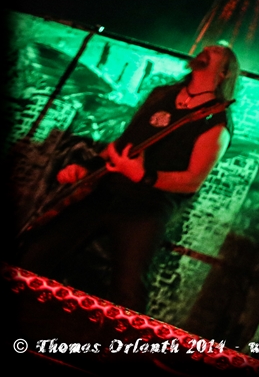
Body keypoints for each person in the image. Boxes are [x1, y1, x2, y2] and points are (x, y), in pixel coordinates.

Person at [19, 44, 238, 313]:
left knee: (128, 290)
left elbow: (192, 180)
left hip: (146, 209)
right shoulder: (163, 94)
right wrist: (89, 167)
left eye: (215, 52)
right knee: (37, 254)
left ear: (225, 72)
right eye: (206, 47)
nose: (207, 50)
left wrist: (144, 176)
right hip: (106, 192)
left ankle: (124, 339)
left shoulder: (217, 120)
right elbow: (126, 141)